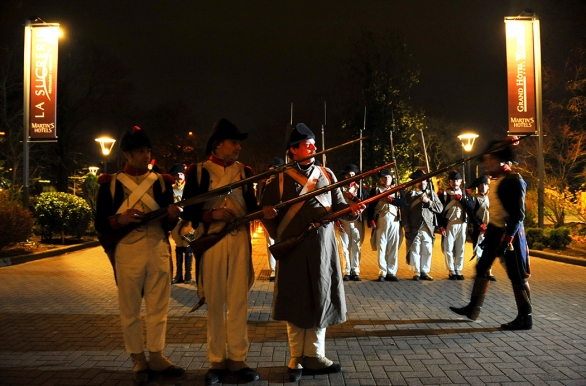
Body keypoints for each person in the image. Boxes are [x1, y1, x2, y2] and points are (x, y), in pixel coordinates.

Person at [259, 123, 365, 382]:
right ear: (293, 150)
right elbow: (266, 213)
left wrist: (352, 211)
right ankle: (296, 357)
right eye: (308, 144)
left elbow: (339, 205)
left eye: (313, 144)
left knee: (321, 299)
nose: (314, 148)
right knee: (296, 301)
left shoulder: (327, 174)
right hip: (294, 249)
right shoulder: (280, 179)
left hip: (323, 249)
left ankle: (315, 355)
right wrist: (280, 236)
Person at [95, 126, 185, 385]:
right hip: (127, 249)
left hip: (157, 246)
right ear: (127, 154)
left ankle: (156, 355)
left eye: (147, 150)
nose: (146, 155)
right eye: (140, 151)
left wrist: (171, 216)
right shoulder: (110, 183)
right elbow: (100, 222)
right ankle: (138, 358)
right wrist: (119, 219)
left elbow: (167, 224)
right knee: (130, 308)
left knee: (159, 307)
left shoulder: (161, 181)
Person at [181, 118, 262, 385]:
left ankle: (238, 360)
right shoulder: (199, 171)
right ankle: (217, 361)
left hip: (239, 240)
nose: (238, 147)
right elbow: (189, 209)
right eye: (234, 142)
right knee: (215, 303)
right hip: (213, 240)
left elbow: (251, 207)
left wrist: (265, 211)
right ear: (218, 145)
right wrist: (211, 214)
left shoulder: (245, 171)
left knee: (239, 302)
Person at [450, 139, 532, 330]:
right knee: (482, 268)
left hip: (509, 233)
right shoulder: (496, 179)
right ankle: (473, 308)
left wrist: (507, 238)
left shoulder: (514, 179)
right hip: (495, 231)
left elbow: (518, 215)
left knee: (517, 276)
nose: (488, 163)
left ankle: (525, 317)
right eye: (487, 159)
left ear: (503, 160)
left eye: (492, 159)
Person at [402, 169, 443, 281]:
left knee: (427, 249)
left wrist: (428, 201)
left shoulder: (431, 194)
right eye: (420, 181)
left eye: (424, 180)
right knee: (415, 249)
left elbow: (439, 208)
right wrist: (405, 225)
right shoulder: (410, 194)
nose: (422, 183)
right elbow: (404, 211)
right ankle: (417, 272)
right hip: (414, 225)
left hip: (428, 227)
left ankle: (425, 271)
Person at [366, 169, 407, 282]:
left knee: (393, 247)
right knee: (381, 247)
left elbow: (404, 202)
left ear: (391, 178)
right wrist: (370, 219)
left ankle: (392, 272)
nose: (385, 179)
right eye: (383, 178)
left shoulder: (397, 189)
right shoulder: (376, 190)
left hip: (394, 220)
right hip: (381, 220)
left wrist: (392, 200)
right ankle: (382, 272)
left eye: (387, 177)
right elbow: (370, 205)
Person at [437, 169, 475, 280]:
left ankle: (458, 269)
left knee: (460, 247)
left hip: (462, 223)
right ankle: (451, 270)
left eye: (457, 180)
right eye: (453, 180)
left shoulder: (465, 194)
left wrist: (461, 199)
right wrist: (440, 225)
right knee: (448, 247)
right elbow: (439, 211)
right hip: (449, 223)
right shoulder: (444, 194)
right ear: (449, 182)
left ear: (461, 181)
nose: (455, 182)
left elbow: (471, 206)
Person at [256, 157, 285, 282]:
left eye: (274, 170)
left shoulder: (285, 182)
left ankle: (281, 267)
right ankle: (273, 269)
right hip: (268, 217)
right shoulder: (265, 183)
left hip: (282, 216)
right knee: (270, 242)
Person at [336, 164, 367, 281]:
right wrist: (337, 220)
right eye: (349, 174)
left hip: (356, 220)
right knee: (344, 247)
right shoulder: (339, 189)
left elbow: (366, 203)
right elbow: (335, 206)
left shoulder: (361, 189)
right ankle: (346, 270)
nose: (351, 176)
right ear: (345, 176)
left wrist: (356, 199)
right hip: (343, 220)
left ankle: (355, 270)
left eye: (353, 175)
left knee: (356, 246)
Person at [168, 163, 194, 285]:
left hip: (188, 221)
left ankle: (188, 275)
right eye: (176, 174)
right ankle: (178, 275)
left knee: (188, 247)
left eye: (181, 174)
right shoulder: (171, 188)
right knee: (178, 247)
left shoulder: (189, 188)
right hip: (176, 222)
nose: (179, 176)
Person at [469, 175, 496, 281]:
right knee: (479, 249)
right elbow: (472, 214)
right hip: (479, 227)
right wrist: (479, 225)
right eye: (481, 185)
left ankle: (489, 271)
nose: (483, 187)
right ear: (478, 186)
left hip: (491, 227)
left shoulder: (492, 198)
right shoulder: (474, 199)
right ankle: (480, 271)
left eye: (485, 184)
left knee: (490, 250)